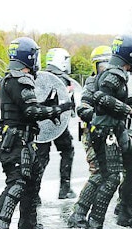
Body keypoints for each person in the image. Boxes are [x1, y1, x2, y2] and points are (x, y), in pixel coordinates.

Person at [0, 37, 74, 229]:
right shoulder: (19, 80)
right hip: (15, 142)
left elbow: (28, 107)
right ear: (29, 58)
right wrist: (58, 109)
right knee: (17, 183)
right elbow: (31, 111)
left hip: (21, 140)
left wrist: (50, 105)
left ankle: (28, 226)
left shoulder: (13, 79)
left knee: (32, 179)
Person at [84, 33, 132, 229]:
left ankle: (127, 215)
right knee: (110, 177)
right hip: (106, 132)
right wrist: (128, 109)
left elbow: (110, 97)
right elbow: (100, 98)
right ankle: (93, 227)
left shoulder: (117, 72)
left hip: (116, 130)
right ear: (130, 54)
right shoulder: (113, 74)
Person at [67, 45, 112, 228]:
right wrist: (98, 116)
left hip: (110, 134)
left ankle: (126, 212)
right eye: (101, 64)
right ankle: (78, 213)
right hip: (93, 133)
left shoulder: (116, 82)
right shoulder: (92, 83)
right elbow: (83, 107)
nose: (105, 68)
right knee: (99, 173)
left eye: (109, 63)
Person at [36, 47, 76, 200]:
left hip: (41, 124)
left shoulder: (40, 76)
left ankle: (35, 193)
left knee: (41, 157)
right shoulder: (62, 79)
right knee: (67, 151)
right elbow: (68, 104)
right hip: (58, 123)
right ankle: (65, 188)